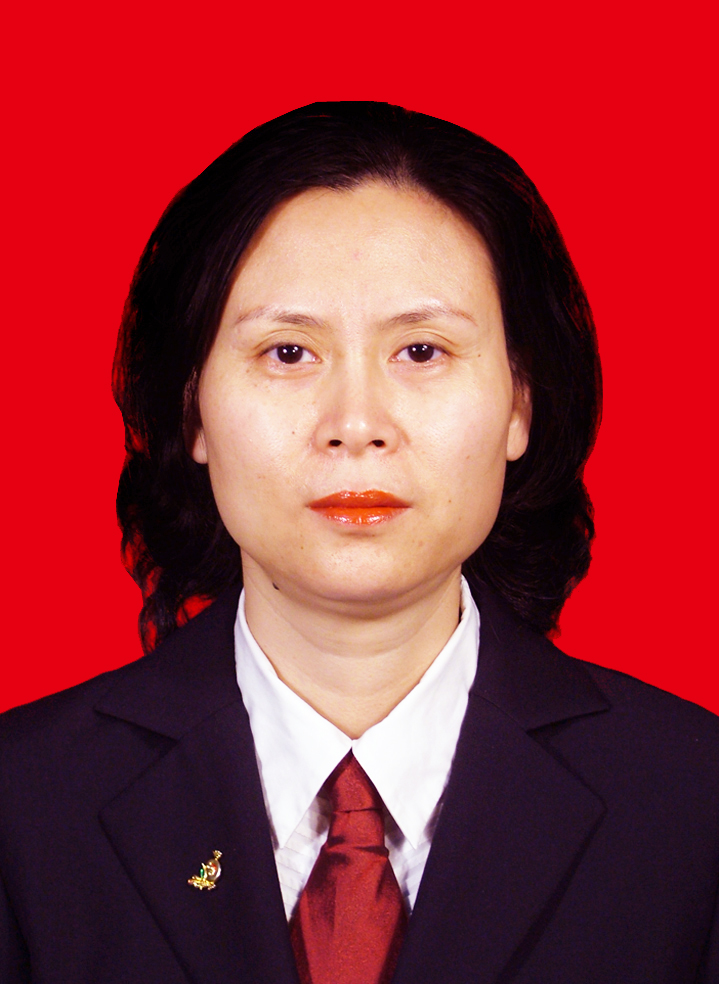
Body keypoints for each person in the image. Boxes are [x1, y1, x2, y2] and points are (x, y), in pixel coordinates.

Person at [0, 102, 717, 984]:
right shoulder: (23, 806)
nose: (356, 423)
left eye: (420, 351)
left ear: (520, 402)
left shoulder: (691, 804)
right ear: (192, 410)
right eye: (287, 353)